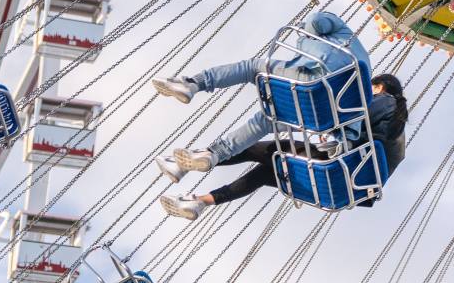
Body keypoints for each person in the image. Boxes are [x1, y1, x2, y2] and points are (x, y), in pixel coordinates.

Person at [156, 73, 409, 219]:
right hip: (341, 188)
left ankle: (188, 163)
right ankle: (199, 202)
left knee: (262, 149)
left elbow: (351, 114)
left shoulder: (386, 101)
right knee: (267, 172)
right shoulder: (397, 132)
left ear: (378, 87)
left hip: (336, 168)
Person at [149, 10, 370, 155]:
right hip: (323, 115)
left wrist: (303, 33)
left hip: (315, 80)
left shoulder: (339, 30)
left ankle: (194, 83)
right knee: (266, 121)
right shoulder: (363, 73)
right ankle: (214, 154)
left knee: (252, 68)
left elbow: (317, 21)